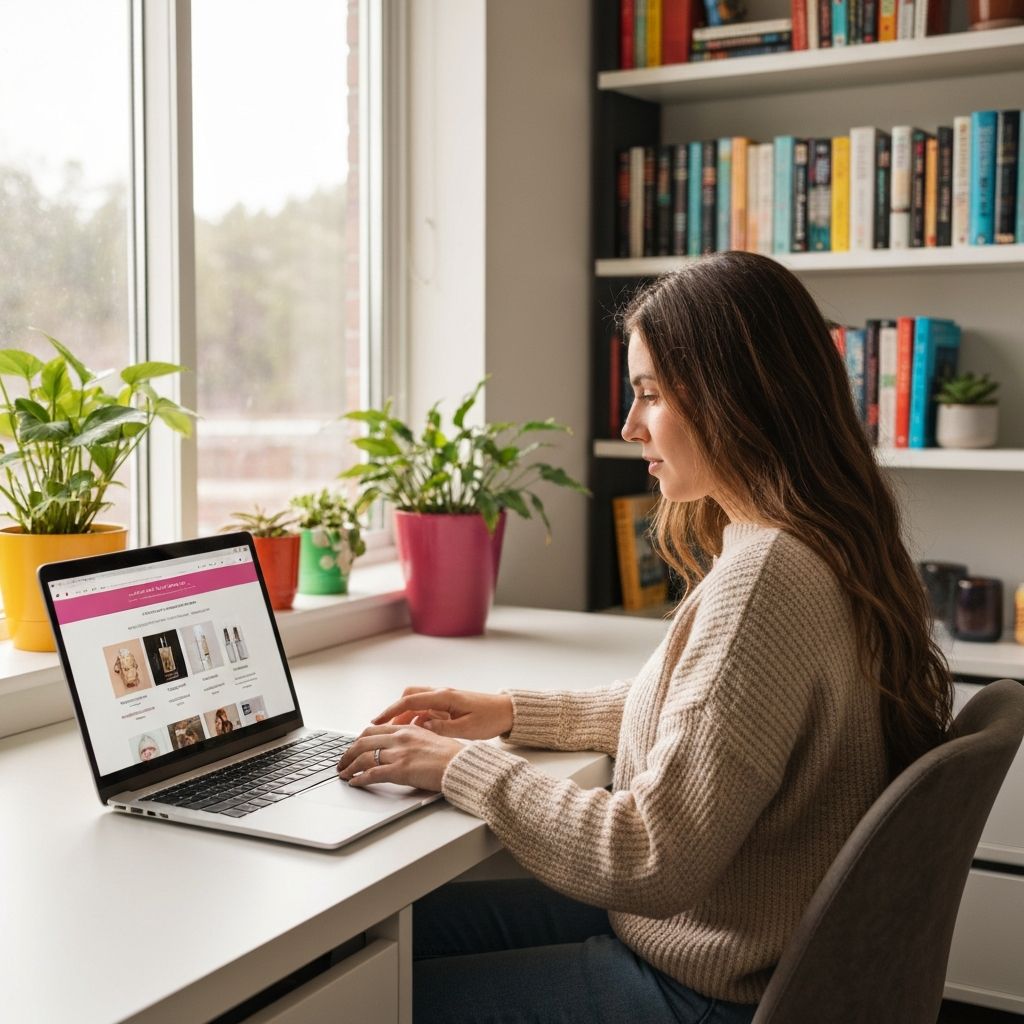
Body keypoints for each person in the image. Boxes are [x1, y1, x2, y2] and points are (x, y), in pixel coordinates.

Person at [337, 252, 954, 1023]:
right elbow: (706, 717)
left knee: (362, 997)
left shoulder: (765, 576)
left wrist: (463, 769)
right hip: (740, 947)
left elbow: (647, 856)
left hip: (710, 981)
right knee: (376, 946)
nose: (629, 426)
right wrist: (509, 711)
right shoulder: (819, 542)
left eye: (650, 395)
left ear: (735, 398)